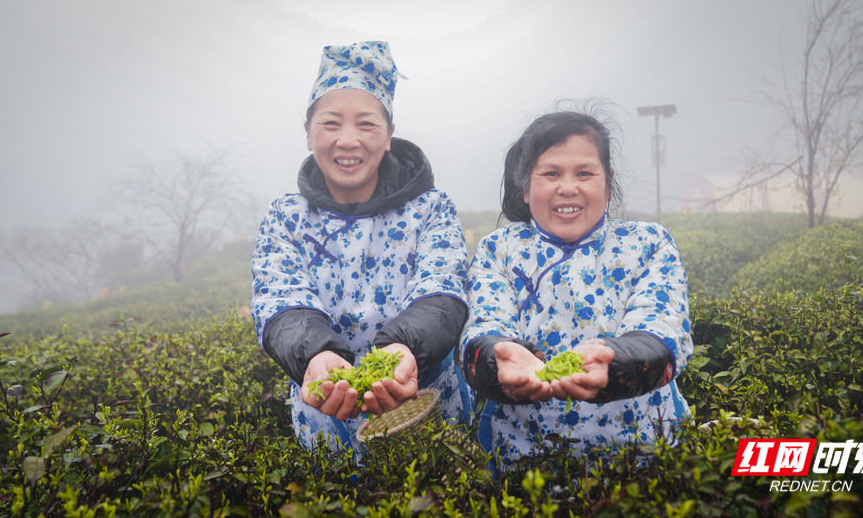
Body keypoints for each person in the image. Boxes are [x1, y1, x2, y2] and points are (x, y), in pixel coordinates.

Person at [251, 41, 472, 457]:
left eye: (367, 125)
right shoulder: (286, 216)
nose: (348, 140)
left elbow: (443, 290)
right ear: (307, 133)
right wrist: (316, 355)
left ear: (389, 136)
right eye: (331, 123)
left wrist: (404, 349)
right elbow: (279, 301)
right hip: (324, 411)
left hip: (422, 401)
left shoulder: (430, 208)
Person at [458, 106, 692, 468]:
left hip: (641, 450)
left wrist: (617, 364)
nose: (568, 187)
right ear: (525, 187)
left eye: (585, 173)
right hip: (526, 456)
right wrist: (496, 356)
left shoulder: (648, 244)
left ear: (608, 181)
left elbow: (661, 325)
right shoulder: (499, 249)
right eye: (551, 173)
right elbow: (486, 322)